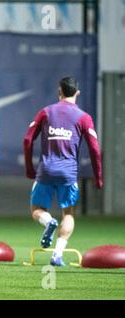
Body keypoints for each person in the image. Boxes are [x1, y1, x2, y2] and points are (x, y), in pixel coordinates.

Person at [23, 76, 103, 266]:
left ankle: (48, 220)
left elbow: (27, 140)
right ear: (78, 93)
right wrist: (98, 177)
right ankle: (57, 255)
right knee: (68, 213)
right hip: (68, 173)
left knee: (36, 210)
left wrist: (29, 168)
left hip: (46, 171)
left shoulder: (45, 112)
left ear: (59, 91)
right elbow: (95, 149)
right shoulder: (84, 117)